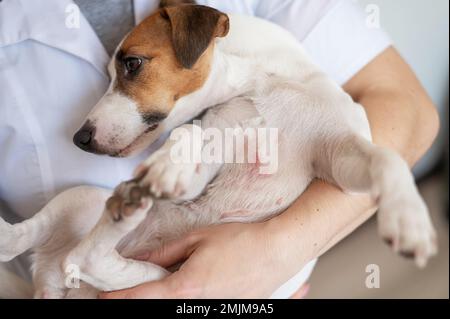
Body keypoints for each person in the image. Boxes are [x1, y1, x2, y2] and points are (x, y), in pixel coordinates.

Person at [0, 0, 439, 299]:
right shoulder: (223, 115)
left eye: (131, 69)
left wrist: (274, 251)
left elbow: (407, 109)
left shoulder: (299, 98)